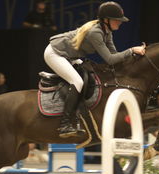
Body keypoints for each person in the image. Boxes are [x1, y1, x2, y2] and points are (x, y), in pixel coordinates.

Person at [44, 1, 146, 137]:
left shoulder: (107, 32)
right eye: (117, 20)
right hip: (55, 53)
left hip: (70, 55)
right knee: (77, 82)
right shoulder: (95, 33)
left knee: (89, 74)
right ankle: (65, 124)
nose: (120, 23)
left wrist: (133, 57)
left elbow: (115, 57)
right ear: (106, 20)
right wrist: (132, 50)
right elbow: (109, 59)